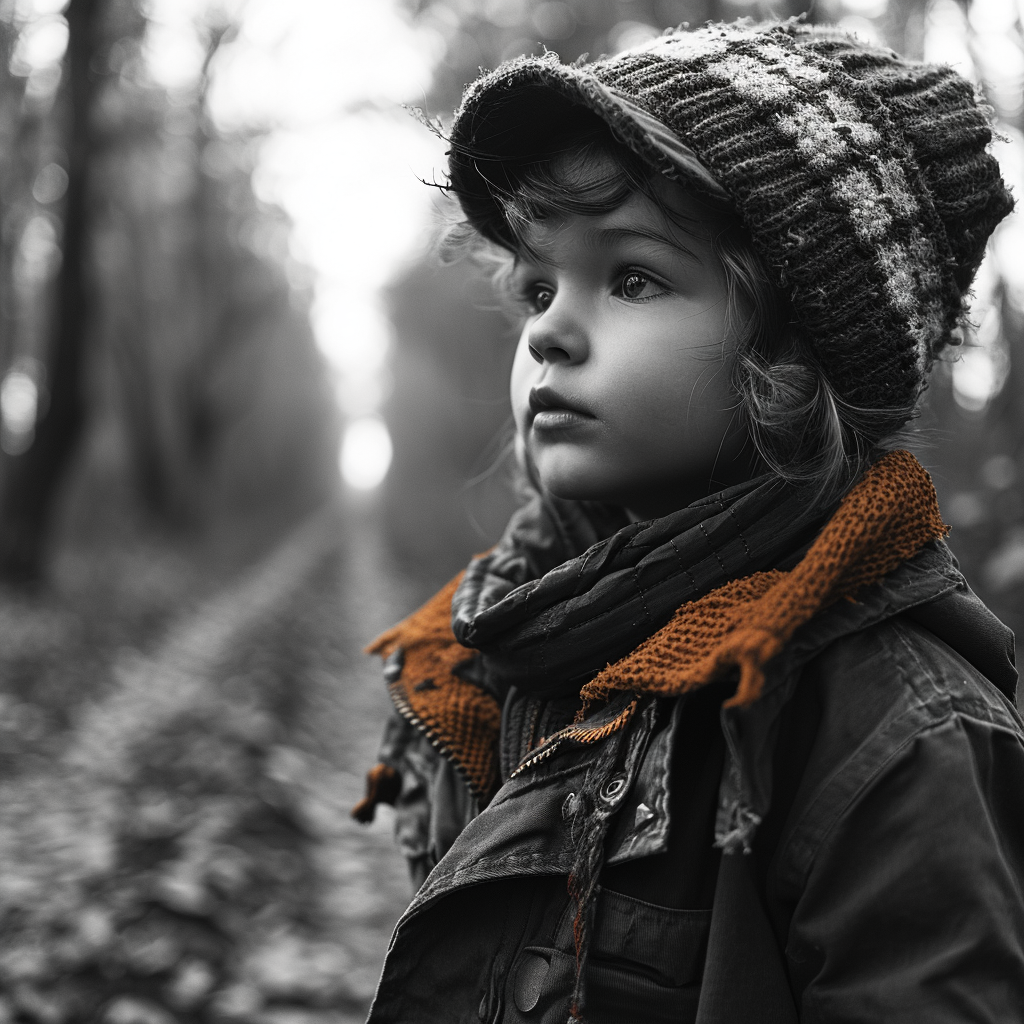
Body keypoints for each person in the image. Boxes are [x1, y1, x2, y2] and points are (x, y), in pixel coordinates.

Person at [351, 19, 1023, 1024]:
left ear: (793, 358)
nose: (546, 328)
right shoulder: (516, 635)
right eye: (537, 283)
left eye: (630, 278)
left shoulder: (890, 729)